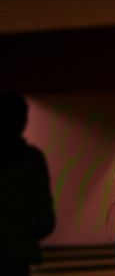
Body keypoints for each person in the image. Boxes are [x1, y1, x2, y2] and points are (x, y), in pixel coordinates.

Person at [0, 91, 56, 276]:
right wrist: (22, 236)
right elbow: (45, 220)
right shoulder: (32, 159)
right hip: (17, 257)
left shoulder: (31, 159)